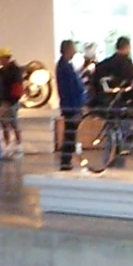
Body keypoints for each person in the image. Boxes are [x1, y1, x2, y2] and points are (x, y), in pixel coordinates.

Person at [55, 39, 86, 171]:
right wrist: (75, 109)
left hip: (71, 105)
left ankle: (67, 160)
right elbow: (70, 90)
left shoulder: (66, 65)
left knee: (70, 134)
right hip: (71, 106)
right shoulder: (64, 67)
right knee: (69, 134)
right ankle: (65, 161)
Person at [0, 50, 26, 158]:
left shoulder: (15, 71)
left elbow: (17, 88)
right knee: (4, 123)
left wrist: (10, 102)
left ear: (6, 58)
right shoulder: (1, 71)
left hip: (12, 101)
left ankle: (18, 144)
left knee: (13, 122)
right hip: (3, 101)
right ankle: (7, 145)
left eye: (0, 58)